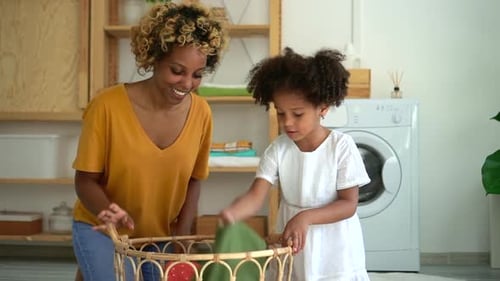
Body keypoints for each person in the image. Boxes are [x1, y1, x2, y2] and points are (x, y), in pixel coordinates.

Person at [71, 2, 227, 281]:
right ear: (154, 58)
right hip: (103, 228)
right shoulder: (107, 105)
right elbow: (85, 181)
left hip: (159, 236)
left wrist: (182, 240)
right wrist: (108, 213)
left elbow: (194, 181)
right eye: (177, 70)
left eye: (197, 74)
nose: (187, 83)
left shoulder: (202, 113)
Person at [220, 47, 371, 281]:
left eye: (297, 114)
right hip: (294, 243)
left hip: (335, 249)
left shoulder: (341, 147)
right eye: (281, 113)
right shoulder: (278, 149)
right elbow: (255, 196)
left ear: (323, 107)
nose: (287, 122)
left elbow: (348, 204)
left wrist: (306, 217)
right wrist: (233, 213)